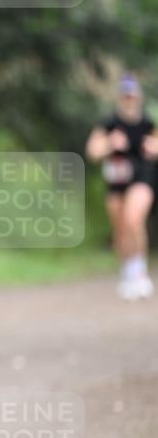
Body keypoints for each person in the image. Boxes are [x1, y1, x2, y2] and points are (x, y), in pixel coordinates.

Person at [85, 74, 157, 300]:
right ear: (120, 97)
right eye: (125, 95)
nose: (129, 99)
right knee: (120, 230)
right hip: (116, 183)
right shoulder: (109, 124)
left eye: (132, 95)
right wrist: (109, 143)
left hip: (142, 179)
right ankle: (128, 270)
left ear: (138, 97)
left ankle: (140, 272)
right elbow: (92, 152)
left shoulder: (148, 124)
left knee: (133, 219)